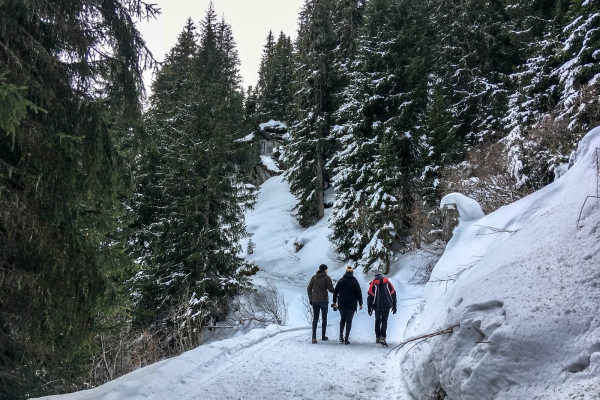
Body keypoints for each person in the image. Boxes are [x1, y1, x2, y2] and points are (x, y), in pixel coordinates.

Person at [332, 265, 363, 345]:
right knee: (349, 320)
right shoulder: (355, 281)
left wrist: (334, 301)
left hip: (342, 303)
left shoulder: (341, 281)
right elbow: (359, 293)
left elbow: (335, 292)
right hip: (351, 304)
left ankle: (340, 336)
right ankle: (346, 338)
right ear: (352, 273)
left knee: (342, 319)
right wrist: (360, 303)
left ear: (345, 273)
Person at [367, 270, 397, 345]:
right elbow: (393, 293)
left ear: (375, 276)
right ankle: (383, 336)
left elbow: (370, 296)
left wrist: (369, 308)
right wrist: (394, 305)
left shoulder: (373, 284)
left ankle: (377, 337)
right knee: (384, 321)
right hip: (387, 304)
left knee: (377, 321)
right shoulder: (387, 282)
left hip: (377, 305)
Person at [307, 264, 335, 343]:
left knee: (315, 319)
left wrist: (311, 299)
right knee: (324, 318)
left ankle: (313, 337)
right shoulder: (327, 277)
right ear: (325, 270)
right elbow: (330, 289)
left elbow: (309, 288)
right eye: (327, 269)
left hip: (315, 301)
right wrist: (337, 292)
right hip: (324, 301)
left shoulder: (314, 277)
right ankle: (323, 336)